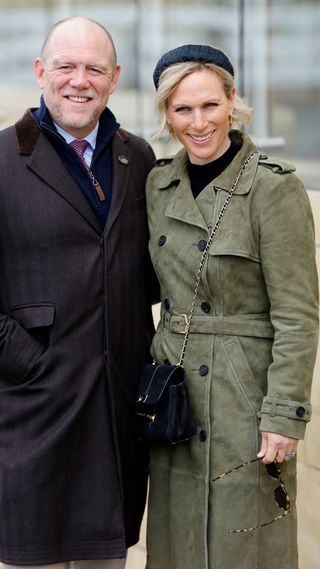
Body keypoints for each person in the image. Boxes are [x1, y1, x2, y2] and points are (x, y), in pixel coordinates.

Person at [145, 44, 319, 569]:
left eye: (210, 106)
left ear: (232, 101)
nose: (199, 123)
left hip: (246, 395)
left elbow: (298, 313)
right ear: (167, 115)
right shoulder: (157, 183)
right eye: (183, 109)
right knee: (176, 544)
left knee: (248, 541)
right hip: (173, 394)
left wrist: (284, 413)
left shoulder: (272, 186)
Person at [0, 15, 158, 569]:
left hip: (114, 409)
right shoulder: (1, 159)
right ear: (41, 72)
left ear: (114, 78)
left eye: (94, 68)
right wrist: (24, 361)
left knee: (105, 561)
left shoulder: (139, 160)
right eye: (66, 66)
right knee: (32, 558)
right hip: (31, 407)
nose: (79, 80)